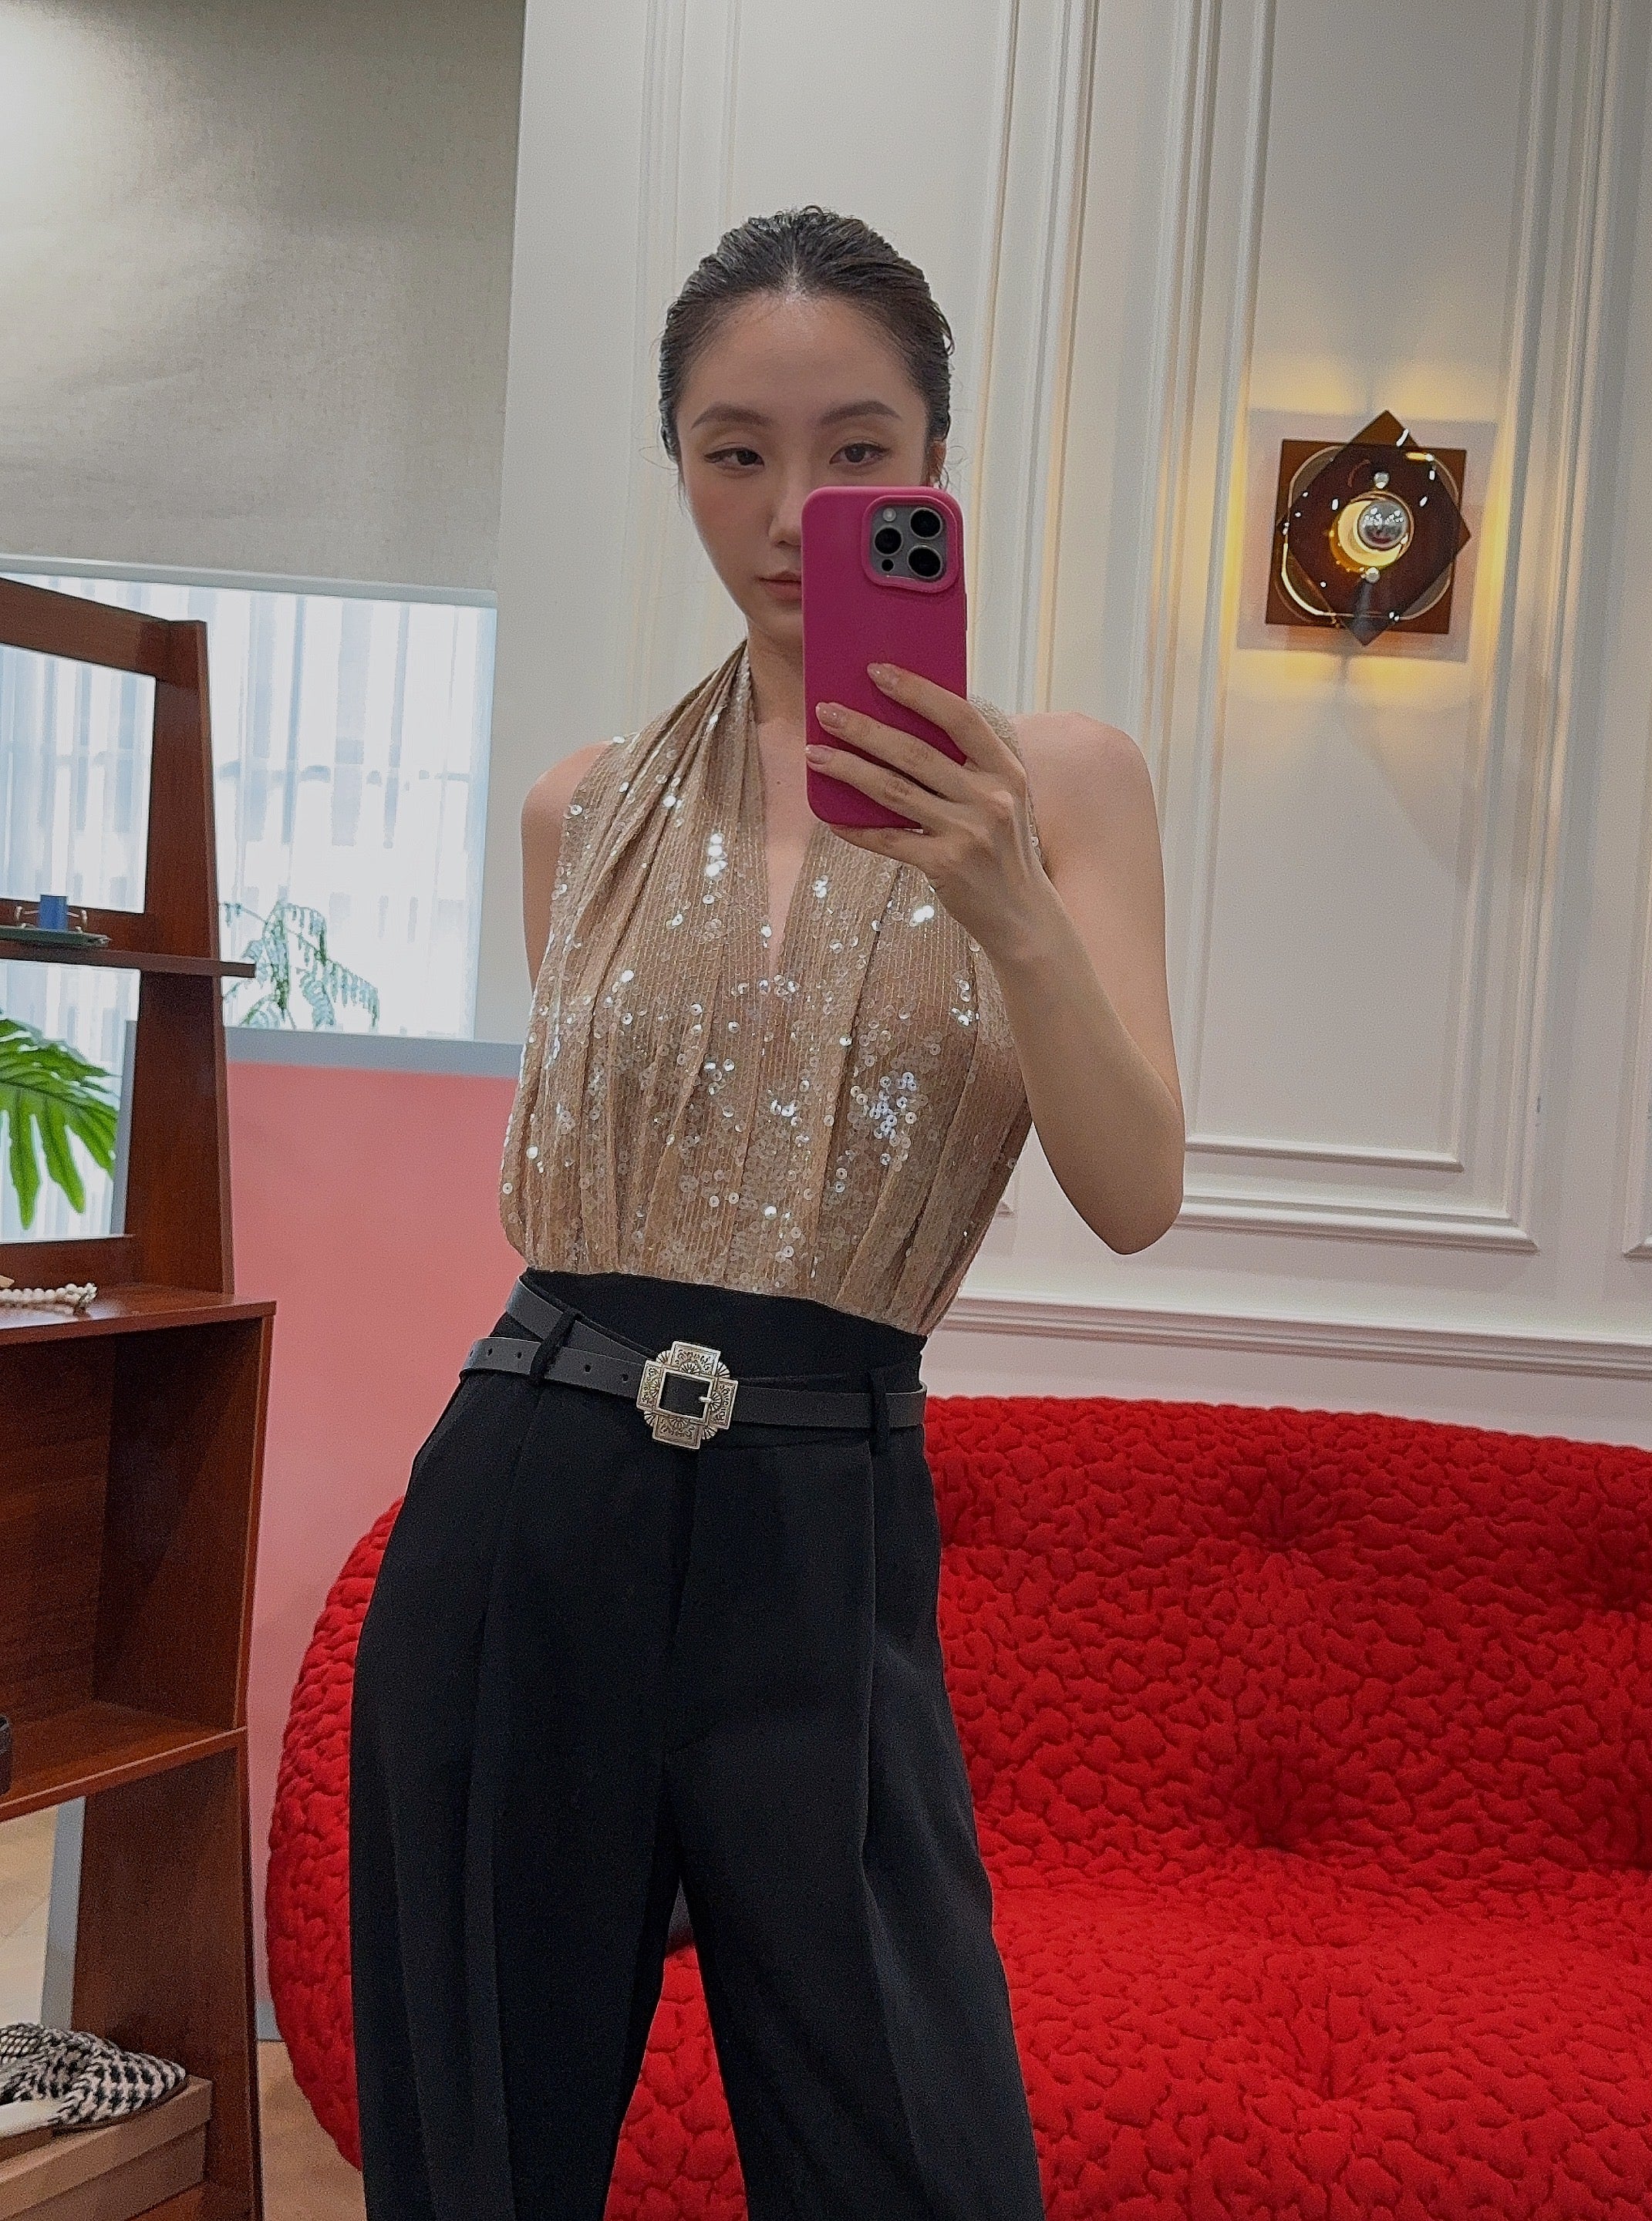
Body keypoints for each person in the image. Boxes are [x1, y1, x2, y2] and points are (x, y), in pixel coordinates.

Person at [349, 206, 1185, 2221]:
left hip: (826, 1517)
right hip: (531, 1492)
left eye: (854, 450)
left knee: (912, 2146)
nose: (792, 507)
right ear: (679, 466)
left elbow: (1135, 1191)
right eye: (735, 451)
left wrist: (1005, 906)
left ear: (933, 468)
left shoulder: (1064, 786)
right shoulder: (583, 807)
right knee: (482, 2149)